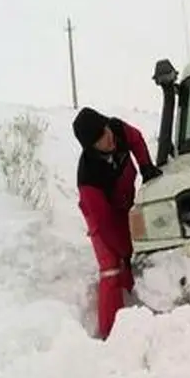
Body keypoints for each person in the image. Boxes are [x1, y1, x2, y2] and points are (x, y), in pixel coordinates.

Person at [72, 107, 163, 339]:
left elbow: (136, 138)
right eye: (101, 138)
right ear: (91, 147)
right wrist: (123, 249)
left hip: (126, 203)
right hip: (102, 216)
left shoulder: (116, 129)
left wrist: (145, 166)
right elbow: (104, 223)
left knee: (134, 254)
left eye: (106, 130)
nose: (108, 137)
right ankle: (110, 334)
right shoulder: (89, 178)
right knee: (112, 265)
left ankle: (137, 302)